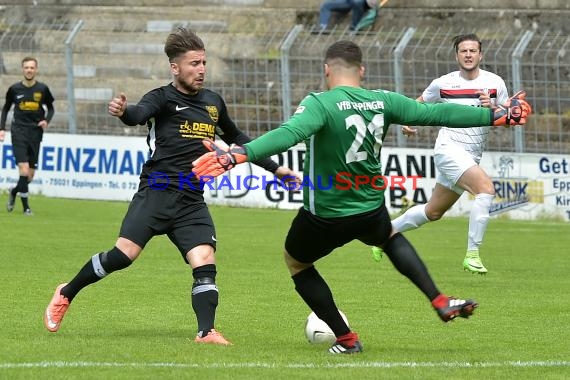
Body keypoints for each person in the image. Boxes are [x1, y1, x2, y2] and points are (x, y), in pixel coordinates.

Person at [191, 40, 530, 353]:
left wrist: (238, 154)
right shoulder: (384, 100)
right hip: (369, 207)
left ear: (327, 69)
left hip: (325, 213)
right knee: (388, 236)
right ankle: (439, 299)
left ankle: (347, 338)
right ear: (362, 71)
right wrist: (495, 115)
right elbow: (438, 114)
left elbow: (288, 134)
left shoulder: (318, 103)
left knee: (297, 262)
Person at [43, 27, 298, 345]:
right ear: (175, 67)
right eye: (194, 63)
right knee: (123, 256)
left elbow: (240, 141)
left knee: (204, 258)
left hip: (191, 199)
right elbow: (138, 114)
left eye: (203, 62)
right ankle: (66, 292)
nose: (201, 69)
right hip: (156, 192)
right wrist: (124, 113)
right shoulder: (162, 98)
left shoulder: (213, 103)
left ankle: (206, 331)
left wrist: (276, 170)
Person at [390, 33, 509, 275]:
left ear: (480, 54)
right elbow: (420, 103)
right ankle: (472, 254)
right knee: (485, 189)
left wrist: (494, 108)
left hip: (471, 155)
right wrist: (408, 121)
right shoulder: (443, 83)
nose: (468, 55)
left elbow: (507, 120)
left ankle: (385, 233)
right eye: (463, 51)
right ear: (457, 56)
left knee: (433, 211)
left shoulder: (495, 83)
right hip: (449, 149)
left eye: (472, 51)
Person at [0, 56, 54, 216]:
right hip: (19, 132)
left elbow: (51, 108)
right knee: (23, 170)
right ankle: (26, 208)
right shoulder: (14, 89)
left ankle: (14, 191)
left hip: (35, 134)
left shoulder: (43, 89)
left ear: (36, 70)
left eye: (32, 67)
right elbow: (5, 109)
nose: (29, 70)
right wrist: (1, 128)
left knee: (29, 176)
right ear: (22, 69)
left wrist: (46, 120)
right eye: (26, 67)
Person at [312, 0, 379, 33]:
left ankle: (354, 27)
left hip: (363, 3)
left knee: (357, 2)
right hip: (347, 2)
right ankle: (323, 26)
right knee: (326, 5)